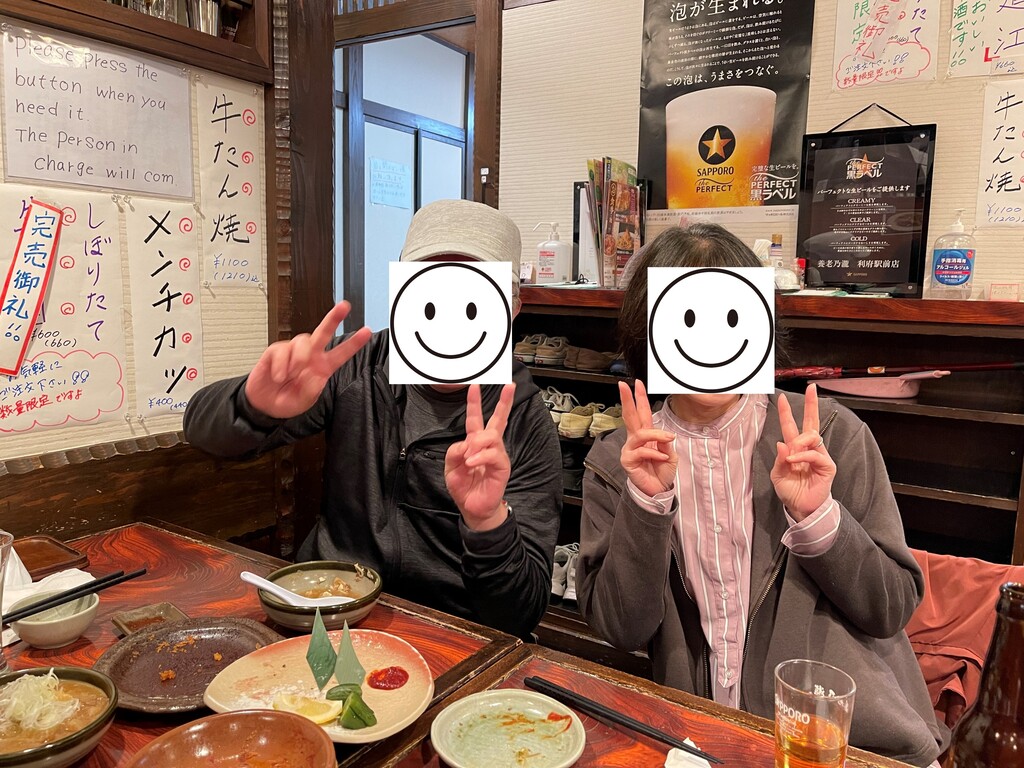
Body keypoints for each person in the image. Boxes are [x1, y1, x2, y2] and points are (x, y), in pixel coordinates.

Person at [576, 224, 948, 766]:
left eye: (730, 318)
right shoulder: (618, 462)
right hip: (704, 738)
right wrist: (646, 507)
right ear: (647, 331)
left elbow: (890, 607)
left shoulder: (829, 437)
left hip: (848, 742)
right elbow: (620, 628)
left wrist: (819, 517)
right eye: (686, 319)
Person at [184, 199, 562, 639]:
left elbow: (518, 616)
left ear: (511, 308)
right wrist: (253, 404)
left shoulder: (525, 419)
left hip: (447, 632)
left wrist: (488, 523)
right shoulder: (355, 366)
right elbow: (200, 431)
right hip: (330, 609)